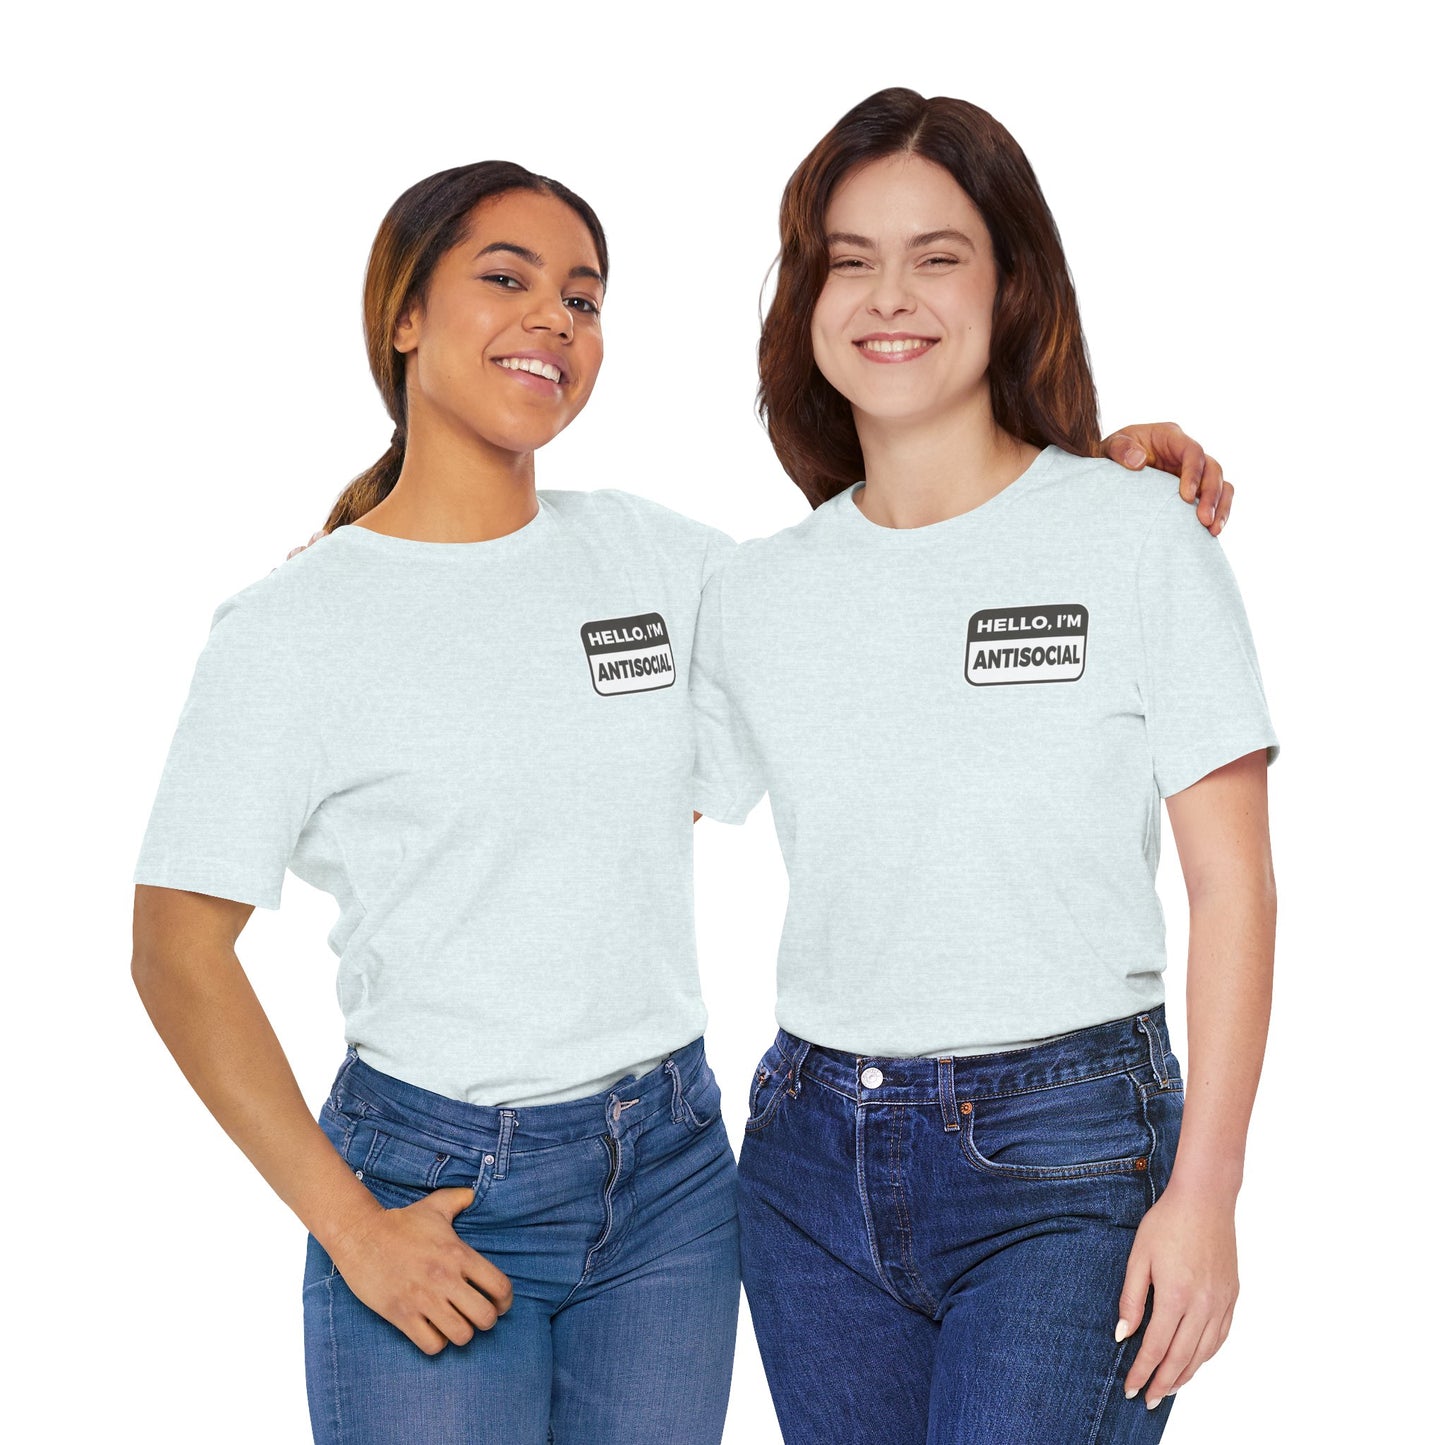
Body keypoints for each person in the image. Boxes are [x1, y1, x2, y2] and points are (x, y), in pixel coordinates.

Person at [131, 156, 1233, 1443]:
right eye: (506, 278)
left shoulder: (665, 567)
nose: (552, 317)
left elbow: (887, 585)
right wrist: (352, 1229)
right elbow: (173, 948)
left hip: (667, 1183)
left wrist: (1082, 491)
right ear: (403, 315)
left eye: (584, 298)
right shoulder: (291, 629)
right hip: (428, 1181)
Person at [689, 89, 1277, 1444]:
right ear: (806, 294)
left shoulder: (1138, 534)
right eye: (848, 258)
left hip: (1069, 1156)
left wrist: (1206, 1195)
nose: (889, 294)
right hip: (805, 1166)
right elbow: (598, 792)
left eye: (937, 254)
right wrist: (379, 565)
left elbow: (1234, 888)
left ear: (1011, 283)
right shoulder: (754, 591)